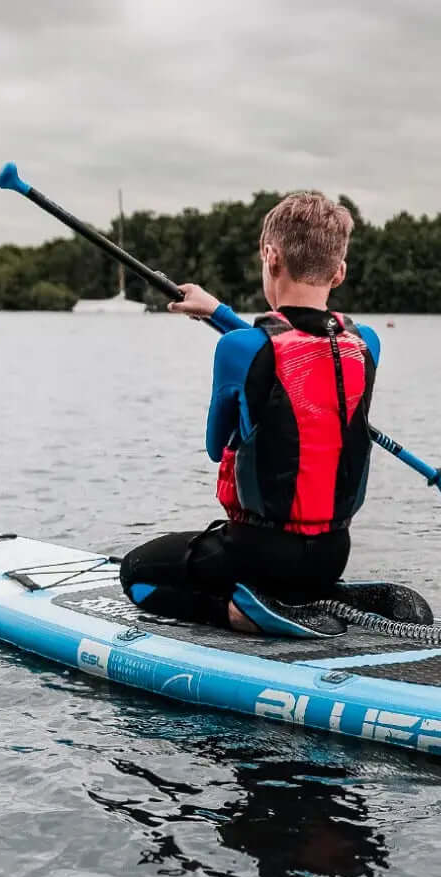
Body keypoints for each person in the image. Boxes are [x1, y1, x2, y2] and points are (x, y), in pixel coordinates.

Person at [119, 192, 381, 637]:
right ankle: (323, 596)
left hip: (259, 553)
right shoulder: (366, 343)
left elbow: (215, 444)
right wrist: (217, 311)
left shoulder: (238, 349)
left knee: (136, 573)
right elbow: (297, 347)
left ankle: (241, 614)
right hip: (332, 554)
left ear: (269, 256)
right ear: (339, 271)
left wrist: (227, 330)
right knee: (306, 563)